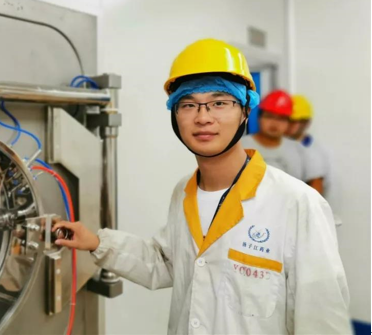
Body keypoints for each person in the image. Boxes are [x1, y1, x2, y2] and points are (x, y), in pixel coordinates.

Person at [54, 39, 351, 334]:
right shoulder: (185, 191)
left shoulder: (298, 203)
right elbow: (166, 263)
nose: (203, 117)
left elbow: (323, 322)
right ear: (175, 115)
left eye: (219, 103)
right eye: (188, 105)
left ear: (245, 111)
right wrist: (96, 242)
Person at [286, 95, 331, 197]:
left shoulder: (312, 152)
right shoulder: (285, 146)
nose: (288, 124)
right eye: (286, 119)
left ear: (306, 123)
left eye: (293, 121)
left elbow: (316, 190)